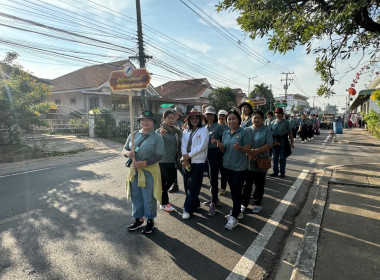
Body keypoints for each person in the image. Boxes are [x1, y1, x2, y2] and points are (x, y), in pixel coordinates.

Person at [123, 110, 164, 234]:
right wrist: (127, 153)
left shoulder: (157, 137)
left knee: (148, 197)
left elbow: (159, 155)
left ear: (153, 122)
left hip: (149, 172)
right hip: (134, 171)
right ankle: (138, 219)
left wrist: (144, 163)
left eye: (148, 120)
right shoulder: (133, 135)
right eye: (143, 120)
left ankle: (150, 220)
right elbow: (124, 149)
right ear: (140, 122)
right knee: (136, 196)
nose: (146, 122)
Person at [214, 109, 250, 229]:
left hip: (239, 167)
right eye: (229, 119)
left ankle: (234, 217)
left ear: (239, 120)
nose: (231, 121)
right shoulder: (225, 133)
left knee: (236, 191)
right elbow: (224, 150)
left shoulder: (244, 132)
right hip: (227, 166)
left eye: (233, 118)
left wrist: (240, 148)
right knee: (234, 190)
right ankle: (237, 211)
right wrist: (220, 146)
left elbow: (248, 149)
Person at [241, 110, 273, 214]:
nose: (257, 119)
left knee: (259, 184)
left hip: (261, 161)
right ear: (251, 118)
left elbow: (269, 144)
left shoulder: (266, 130)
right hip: (248, 161)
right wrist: (250, 153)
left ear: (263, 119)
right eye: (255, 117)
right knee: (247, 184)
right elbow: (242, 143)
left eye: (259, 117)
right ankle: (244, 203)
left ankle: (257, 203)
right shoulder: (246, 129)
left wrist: (256, 151)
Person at [181, 109, 209, 220]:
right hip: (186, 161)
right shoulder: (185, 132)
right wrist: (185, 157)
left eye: (196, 118)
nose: (194, 120)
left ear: (200, 119)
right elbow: (183, 145)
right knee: (187, 185)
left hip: (198, 162)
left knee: (193, 185)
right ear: (188, 120)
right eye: (192, 118)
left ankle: (187, 209)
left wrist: (189, 155)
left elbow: (202, 146)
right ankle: (196, 203)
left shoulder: (203, 130)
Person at [156, 110, 182, 212]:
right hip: (161, 161)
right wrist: (161, 136)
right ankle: (164, 203)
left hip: (172, 160)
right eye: (169, 118)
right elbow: (155, 145)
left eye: (173, 118)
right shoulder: (159, 131)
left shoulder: (176, 131)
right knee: (163, 182)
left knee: (171, 180)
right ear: (163, 119)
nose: (171, 120)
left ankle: (161, 194)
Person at [203, 106, 224, 216]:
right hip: (206, 154)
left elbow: (223, 141)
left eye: (211, 114)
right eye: (207, 114)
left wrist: (216, 142)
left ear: (214, 116)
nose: (209, 116)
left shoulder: (218, 127)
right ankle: (215, 199)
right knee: (211, 178)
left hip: (215, 153)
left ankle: (213, 203)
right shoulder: (205, 127)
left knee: (214, 177)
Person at [270, 107, 294, 177]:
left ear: (282, 114)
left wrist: (292, 142)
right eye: (276, 113)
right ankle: (275, 171)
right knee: (275, 157)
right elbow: (269, 132)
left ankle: (282, 172)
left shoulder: (286, 122)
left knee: (282, 157)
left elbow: (290, 132)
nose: (278, 115)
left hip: (283, 140)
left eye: (279, 113)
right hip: (274, 141)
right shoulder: (272, 122)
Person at [168, 106, 185, 193]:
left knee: (181, 168)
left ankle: (189, 182)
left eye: (177, 114)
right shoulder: (168, 123)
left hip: (178, 151)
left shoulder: (179, 124)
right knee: (173, 169)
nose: (175, 116)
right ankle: (175, 185)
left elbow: (182, 138)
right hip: (171, 151)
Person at [217, 109, 230, 196]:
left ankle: (223, 187)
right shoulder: (214, 126)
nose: (221, 117)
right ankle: (214, 186)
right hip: (214, 151)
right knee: (213, 171)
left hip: (224, 151)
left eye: (223, 116)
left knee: (223, 170)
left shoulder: (228, 127)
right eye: (220, 116)